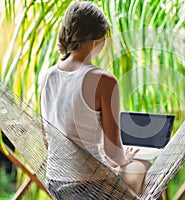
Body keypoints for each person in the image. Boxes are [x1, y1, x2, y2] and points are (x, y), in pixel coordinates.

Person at [39, 1, 149, 199]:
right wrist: (125, 158)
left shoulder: (47, 77)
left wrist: (99, 154)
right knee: (142, 166)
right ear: (95, 40)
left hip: (56, 184)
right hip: (91, 188)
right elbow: (114, 152)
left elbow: (49, 141)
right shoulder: (104, 81)